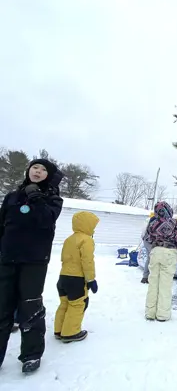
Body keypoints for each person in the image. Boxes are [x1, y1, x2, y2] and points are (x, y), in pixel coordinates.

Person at [0, 159, 64, 373]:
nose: (38, 171)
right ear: (28, 170)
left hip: (34, 262)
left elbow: (46, 220)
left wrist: (36, 196)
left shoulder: (53, 200)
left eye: (44, 169)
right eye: (35, 167)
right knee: (2, 308)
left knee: (30, 308)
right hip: (7, 259)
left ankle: (31, 354)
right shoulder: (11, 197)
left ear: (49, 175)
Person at [54, 211, 99, 343]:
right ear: (87, 225)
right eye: (93, 225)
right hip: (77, 279)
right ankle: (70, 333)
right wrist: (91, 279)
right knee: (77, 305)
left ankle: (59, 330)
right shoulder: (87, 240)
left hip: (63, 277)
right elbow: (87, 261)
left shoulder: (69, 239)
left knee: (64, 303)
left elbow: (64, 258)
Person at [144, 201, 177, 321]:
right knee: (165, 285)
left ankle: (150, 313)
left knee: (153, 284)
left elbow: (147, 237)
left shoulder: (152, 222)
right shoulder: (174, 223)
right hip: (169, 253)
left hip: (155, 252)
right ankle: (162, 315)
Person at [141, 215, 156, 284]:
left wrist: (143, 237)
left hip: (146, 240)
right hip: (150, 241)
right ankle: (146, 277)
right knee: (152, 259)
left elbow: (143, 230)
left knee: (149, 258)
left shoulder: (150, 219)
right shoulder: (156, 220)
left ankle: (146, 276)